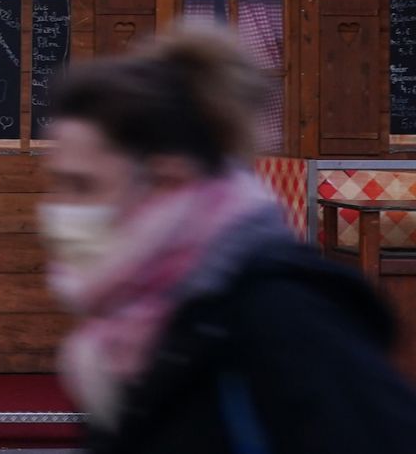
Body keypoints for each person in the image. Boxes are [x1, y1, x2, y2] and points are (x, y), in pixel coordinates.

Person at [40, 30, 416, 453]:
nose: (58, 208)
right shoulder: (126, 336)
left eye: (81, 186)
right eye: (57, 183)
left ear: (167, 180)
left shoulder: (286, 319)